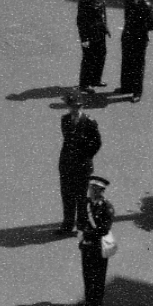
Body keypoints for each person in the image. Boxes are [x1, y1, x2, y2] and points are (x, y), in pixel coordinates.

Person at [57, 92, 101, 236]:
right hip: (67, 163)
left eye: (77, 106)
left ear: (81, 106)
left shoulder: (90, 122)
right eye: (71, 106)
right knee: (67, 195)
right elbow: (68, 140)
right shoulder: (65, 119)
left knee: (81, 196)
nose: (74, 109)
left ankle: (82, 223)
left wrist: (86, 155)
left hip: (82, 165)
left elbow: (96, 143)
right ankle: (67, 224)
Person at [77, 175, 115, 306]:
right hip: (86, 246)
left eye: (94, 189)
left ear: (101, 191)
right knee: (87, 274)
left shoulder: (107, 207)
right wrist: (82, 232)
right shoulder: (86, 203)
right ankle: (88, 300)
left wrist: (87, 234)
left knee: (97, 278)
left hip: (98, 247)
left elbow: (104, 229)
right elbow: (80, 220)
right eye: (91, 188)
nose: (91, 191)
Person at [117, 0, 153, 101]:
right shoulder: (128, 0)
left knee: (138, 65)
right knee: (126, 62)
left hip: (139, 38)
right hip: (128, 36)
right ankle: (126, 86)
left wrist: (140, 26)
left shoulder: (146, 5)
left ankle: (137, 92)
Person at [76, 0, 109, 93]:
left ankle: (96, 79)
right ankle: (85, 84)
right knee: (89, 58)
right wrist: (84, 38)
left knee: (101, 55)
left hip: (100, 32)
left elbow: (102, 12)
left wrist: (105, 27)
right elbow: (81, 21)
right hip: (90, 34)